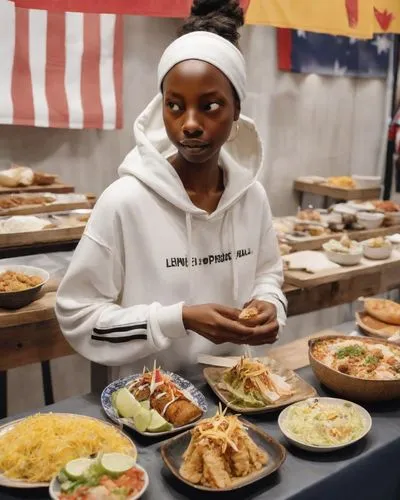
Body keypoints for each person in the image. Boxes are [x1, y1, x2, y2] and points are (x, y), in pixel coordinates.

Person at [56, 0, 287, 377]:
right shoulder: (125, 202)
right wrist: (177, 320)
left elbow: (268, 275)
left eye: (210, 106)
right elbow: (78, 315)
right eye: (175, 106)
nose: (190, 123)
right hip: (153, 407)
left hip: (237, 393)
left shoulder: (251, 197)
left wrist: (269, 303)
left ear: (236, 111)